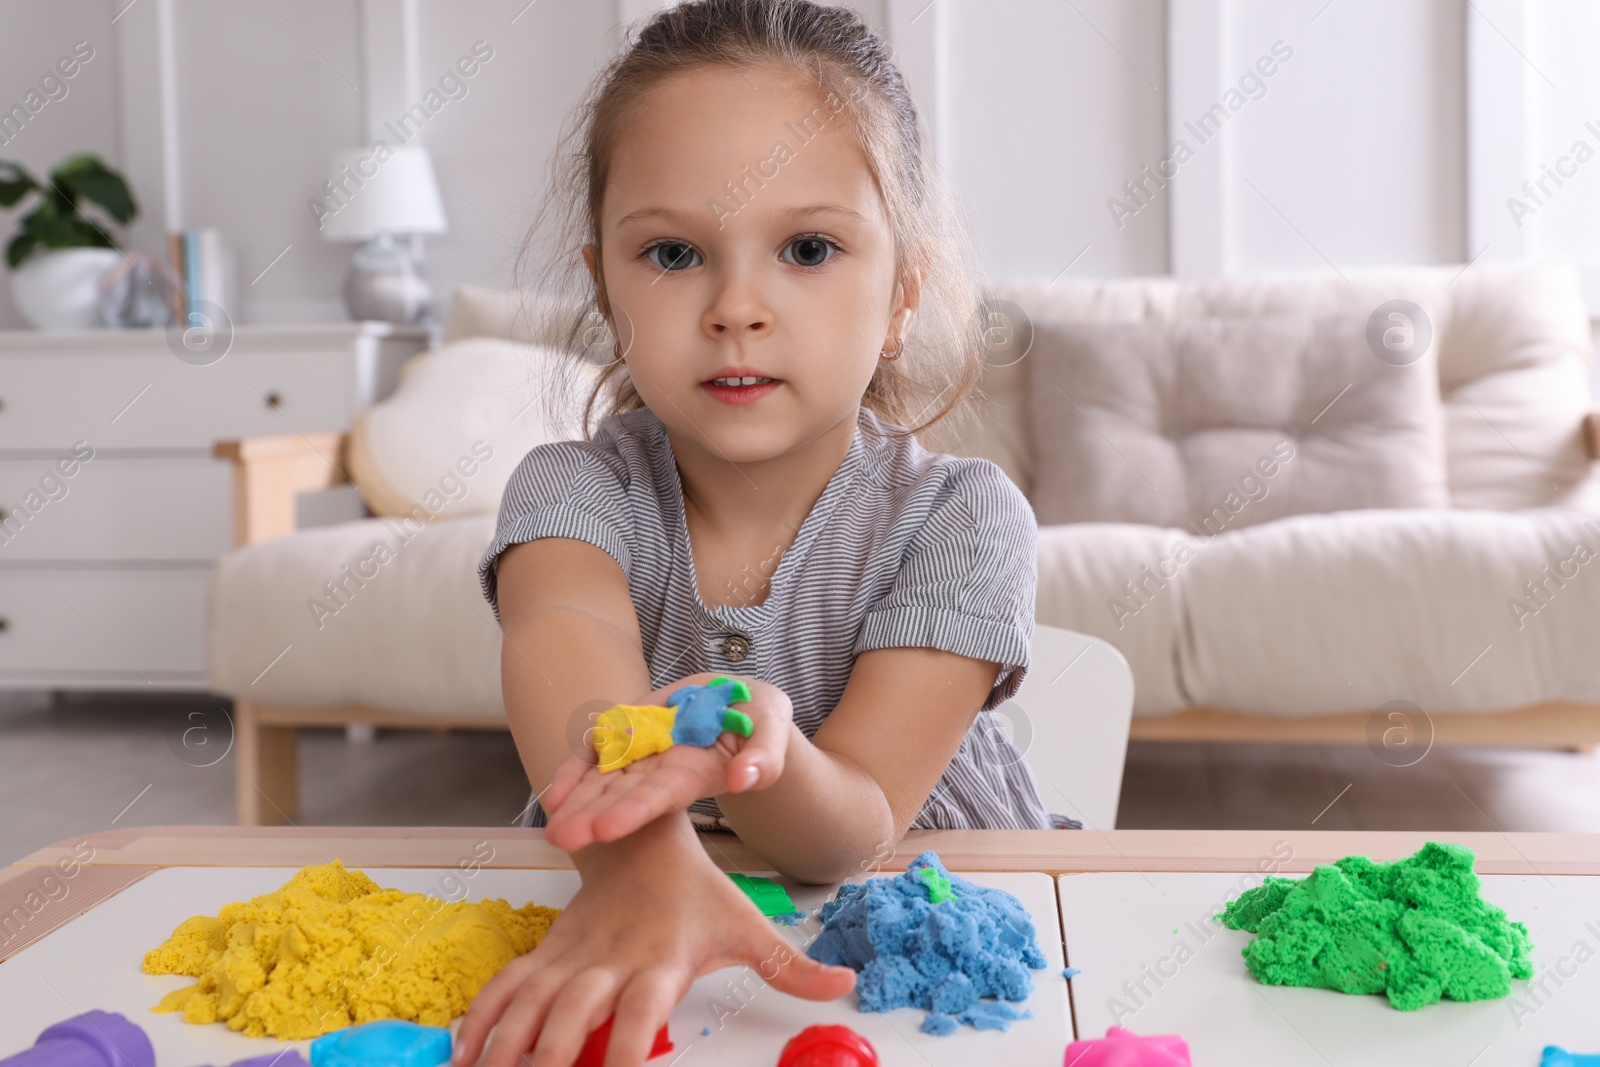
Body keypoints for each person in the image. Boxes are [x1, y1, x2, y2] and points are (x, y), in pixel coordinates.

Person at [455, 3, 1066, 1064]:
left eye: (808, 247)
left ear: (903, 289)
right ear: (605, 283)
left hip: (913, 982)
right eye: (675, 252)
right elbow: (567, 652)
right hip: (630, 939)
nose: (737, 305)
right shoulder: (572, 492)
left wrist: (749, 742)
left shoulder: (962, 516)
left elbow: (850, 830)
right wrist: (641, 861)